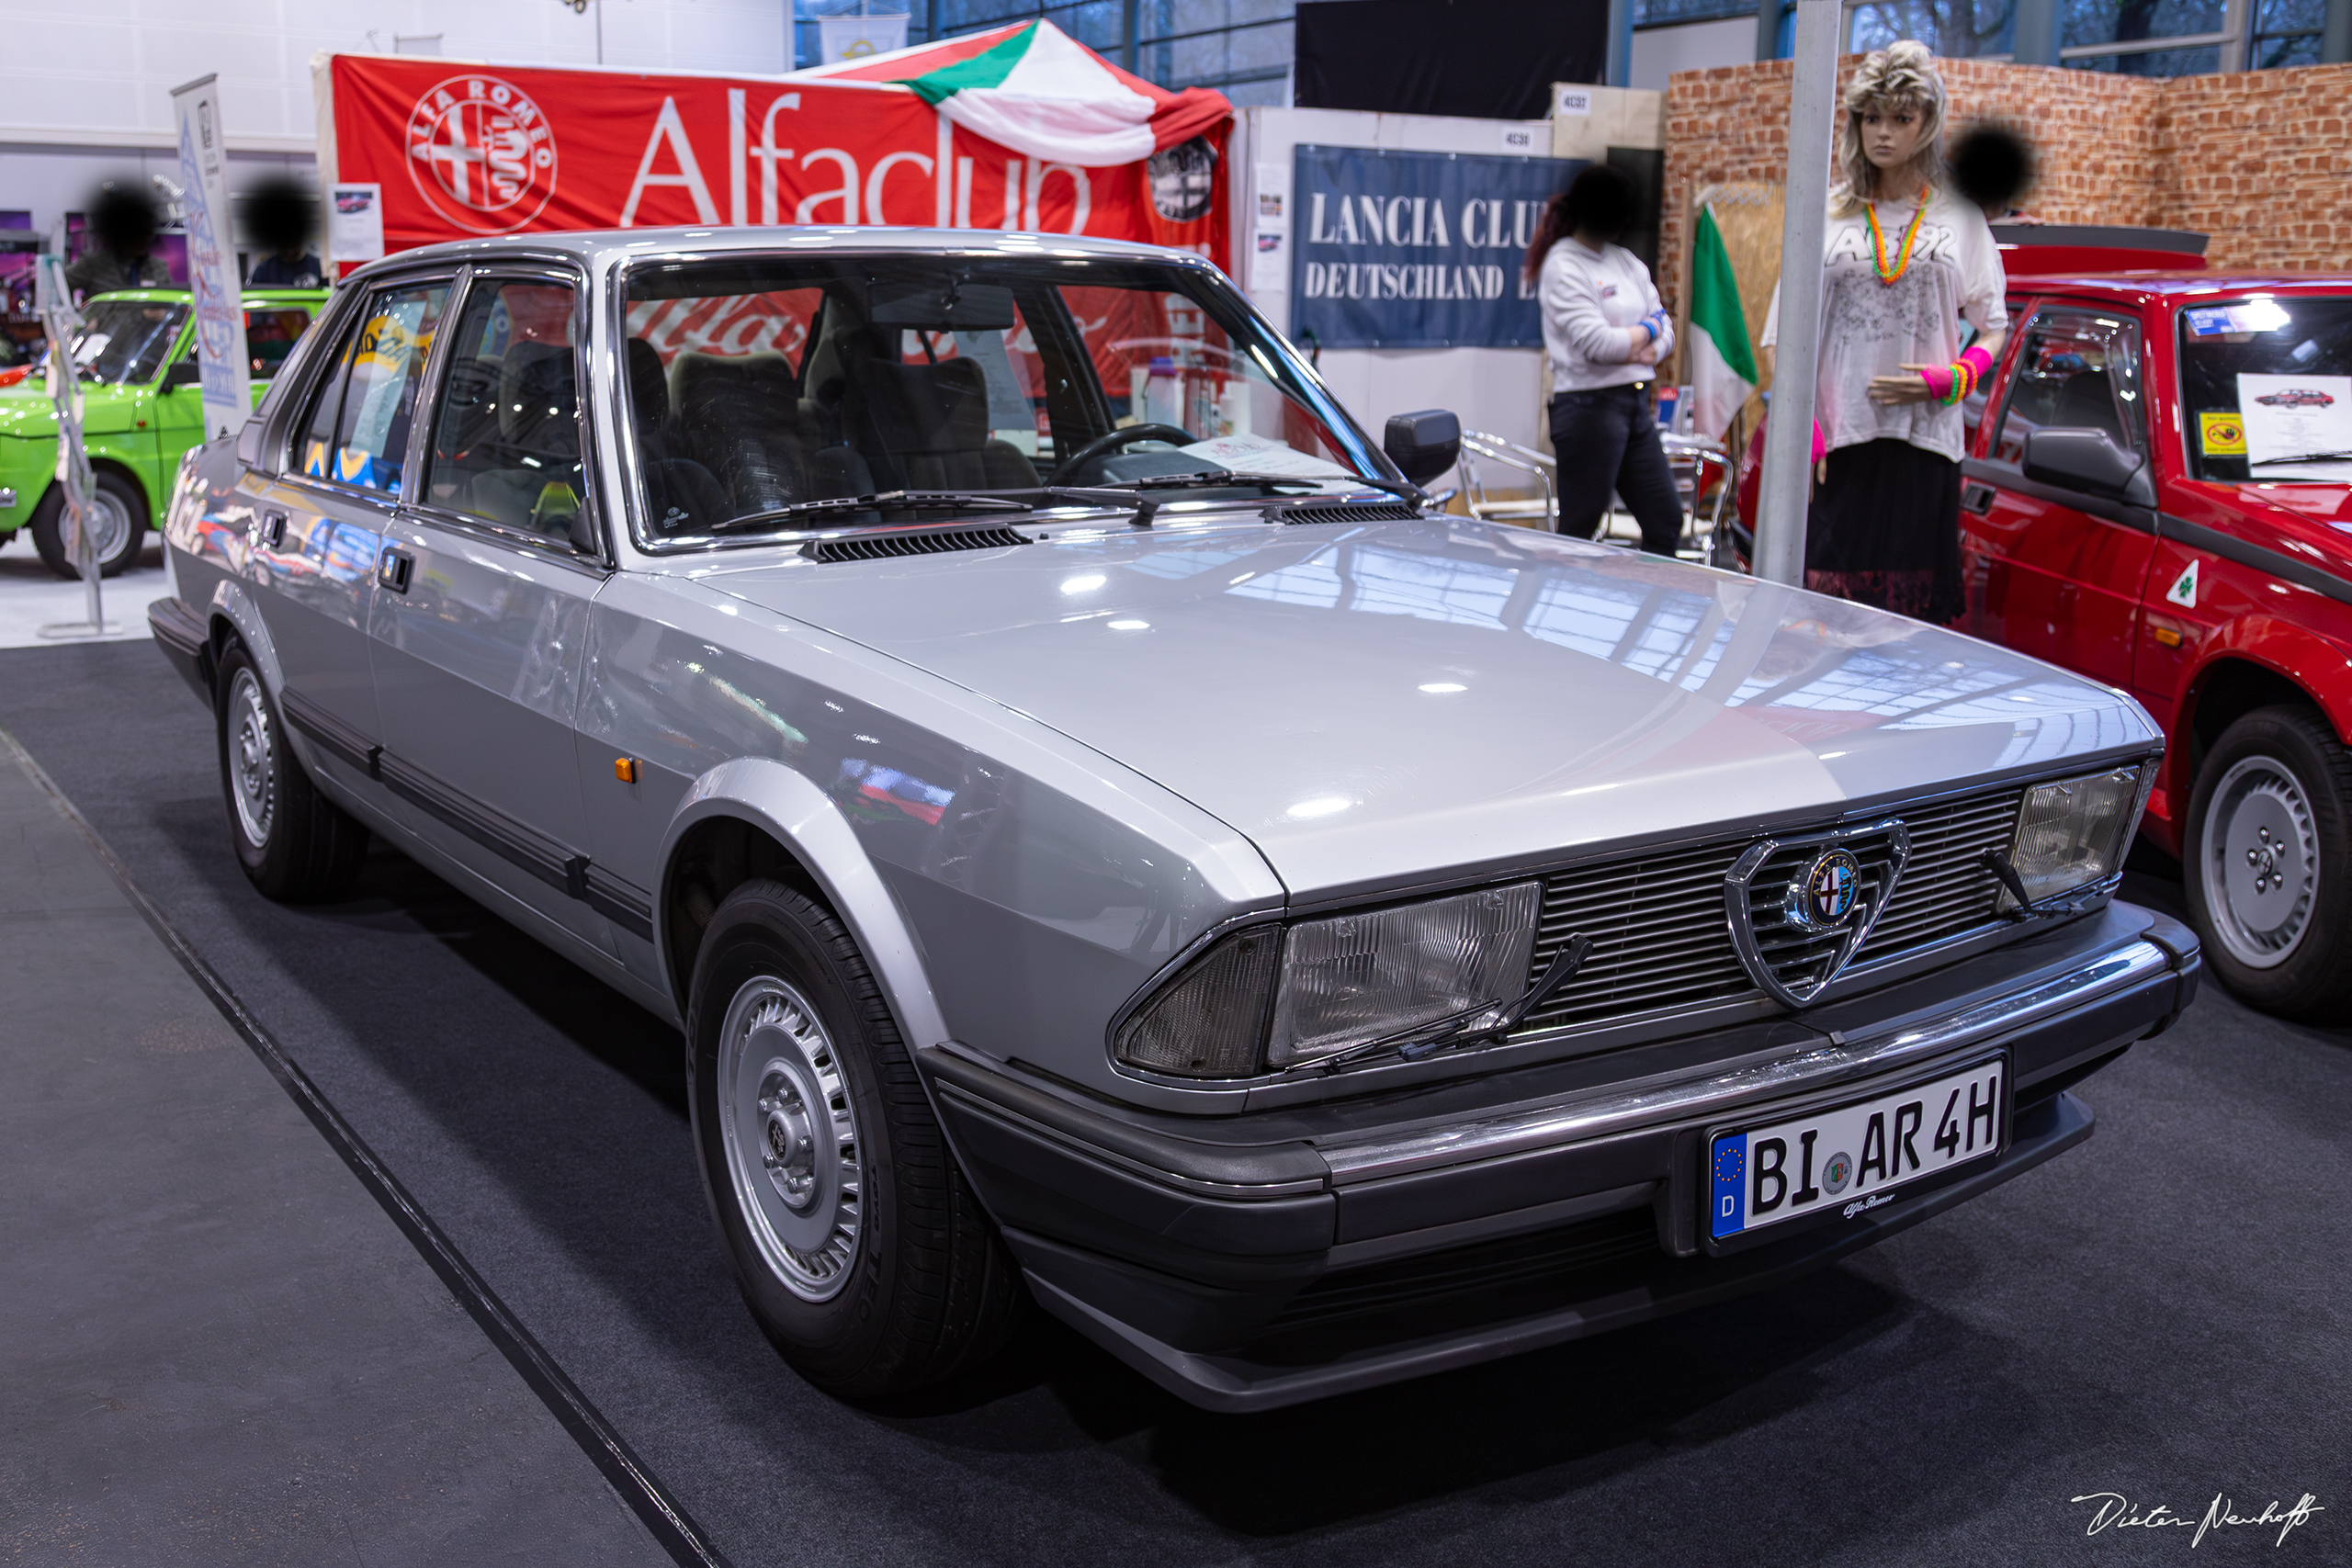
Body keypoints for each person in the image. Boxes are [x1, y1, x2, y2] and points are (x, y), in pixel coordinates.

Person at [1758, 40, 2007, 622]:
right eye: (1872, 117)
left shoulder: (1960, 219)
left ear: (1928, 121)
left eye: (1901, 117)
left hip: (1925, 445)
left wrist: (1955, 376)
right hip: (1838, 444)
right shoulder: (1825, 214)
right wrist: (1805, 432)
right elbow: (1778, 337)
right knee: (1823, 617)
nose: (1883, 133)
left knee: (1912, 627)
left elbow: (1993, 326)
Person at [1528, 164, 1683, 554]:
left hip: (1634, 405)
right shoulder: (1564, 265)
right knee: (1581, 529)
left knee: (1666, 520)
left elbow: (1668, 331)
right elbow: (1601, 345)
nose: (1626, 217)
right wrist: (1648, 331)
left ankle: (1646, 611)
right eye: (1618, 208)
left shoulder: (1626, 261)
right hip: (1588, 410)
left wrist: (1645, 340)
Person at [64, 185, 170, 301]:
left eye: (148, 234)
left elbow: (176, 306)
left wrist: (165, 313)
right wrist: (79, 316)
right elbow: (57, 289)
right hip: (105, 319)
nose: (145, 240)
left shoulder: (158, 268)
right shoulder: (94, 263)